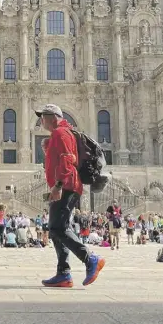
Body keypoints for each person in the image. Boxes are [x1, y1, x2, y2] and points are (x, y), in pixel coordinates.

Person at [35, 104, 104, 288]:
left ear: (52, 117)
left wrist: (58, 186)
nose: (41, 121)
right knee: (58, 228)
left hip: (66, 185)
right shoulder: (61, 134)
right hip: (65, 185)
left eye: (43, 117)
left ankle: (90, 259)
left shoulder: (60, 133)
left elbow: (67, 159)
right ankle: (63, 273)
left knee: (57, 228)